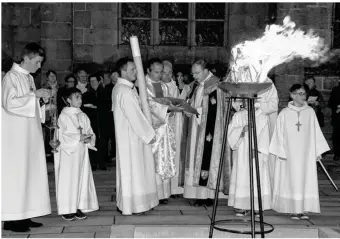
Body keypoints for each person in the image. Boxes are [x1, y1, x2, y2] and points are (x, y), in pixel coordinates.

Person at [2, 42, 51, 232]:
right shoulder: (10, 77)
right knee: (17, 176)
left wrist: (40, 99)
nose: (39, 67)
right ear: (27, 58)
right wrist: (34, 96)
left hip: (29, 135)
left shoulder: (28, 78)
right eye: (38, 62)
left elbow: (31, 104)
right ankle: (13, 220)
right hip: (16, 137)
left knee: (30, 174)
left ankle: (26, 213)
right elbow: (9, 104)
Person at [269, 84, 330, 220]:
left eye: (304, 94)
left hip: (306, 154)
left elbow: (316, 132)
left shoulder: (310, 112)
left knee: (305, 179)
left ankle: (302, 209)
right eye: (300, 93)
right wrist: (281, 152)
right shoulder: (284, 113)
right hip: (289, 154)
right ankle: (293, 209)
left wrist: (317, 150)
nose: (304, 96)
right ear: (292, 95)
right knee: (291, 180)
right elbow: (278, 135)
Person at [112, 57, 159, 215]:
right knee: (135, 170)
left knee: (133, 170)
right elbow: (134, 117)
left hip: (131, 135)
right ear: (123, 71)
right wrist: (149, 134)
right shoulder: (124, 91)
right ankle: (135, 205)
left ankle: (132, 204)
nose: (136, 72)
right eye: (132, 69)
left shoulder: (125, 88)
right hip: (131, 137)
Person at [183, 59, 230, 207]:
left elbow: (215, 111)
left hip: (210, 131)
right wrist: (188, 108)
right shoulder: (199, 85)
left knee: (207, 158)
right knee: (196, 158)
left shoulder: (215, 85)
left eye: (197, 73)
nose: (194, 76)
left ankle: (207, 196)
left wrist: (196, 111)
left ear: (205, 71)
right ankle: (197, 194)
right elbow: (195, 103)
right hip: (197, 127)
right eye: (193, 73)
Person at [54, 87, 99, 221]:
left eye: (80, 97)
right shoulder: (64, 116)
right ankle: (67, 209)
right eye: (76, 97)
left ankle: (78, 206)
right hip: (69, 153)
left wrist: (89, 137)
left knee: (81, 178)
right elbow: (61, 135)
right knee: (69, 180)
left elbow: (90, 130)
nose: (80, 100)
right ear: (68, 100)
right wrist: (78, 138)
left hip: (81, 152)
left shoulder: (82, 115)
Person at [227, 100, 272, 216]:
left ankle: (257, 206)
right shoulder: (238, 116)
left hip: (258, 152)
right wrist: (241, 130)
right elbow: (230, 133)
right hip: (242, 151)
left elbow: (266, 135)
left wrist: (257, 149)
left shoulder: (262, 117)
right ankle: (242, 205)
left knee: (257, 176)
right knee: (242, 176)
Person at [145, 58, 177, 204]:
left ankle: (164, 193)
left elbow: (166, 102)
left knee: (164, 159)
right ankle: (153, 192)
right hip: (152, 129)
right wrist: (168, 109)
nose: (159, 75)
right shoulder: (144, 85)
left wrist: (171, 107)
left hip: (164, 128)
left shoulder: (162, 86)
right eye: (156, 72)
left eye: (161, 72)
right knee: (153, 160)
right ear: (148, 71)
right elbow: (149, 106)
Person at [161, 60, 184, 198]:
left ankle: (175, 188)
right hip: (164, 124)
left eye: (170, 72)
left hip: (175, 124)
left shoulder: (173, 84)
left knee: (176, 154)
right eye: (165, 72)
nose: (168, 75)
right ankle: (165, 190)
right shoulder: (157, 85)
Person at [82, 72, 108, 171]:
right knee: (92, 141)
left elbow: (107, 106)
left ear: (99, 81)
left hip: (102, 121)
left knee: (103, 143)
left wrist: (96, 107)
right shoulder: (86, 94)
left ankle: (101, 163)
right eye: (91, 81)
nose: (92, 83)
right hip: (91, 121)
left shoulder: (105, 92)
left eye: (94, 81)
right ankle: (92, 163)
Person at [328, 78, 340, 162]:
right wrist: (337, 107)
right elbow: (330, 103)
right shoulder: (335, 90)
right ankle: (337, 154)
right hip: (338, 117)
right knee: (337, 137)